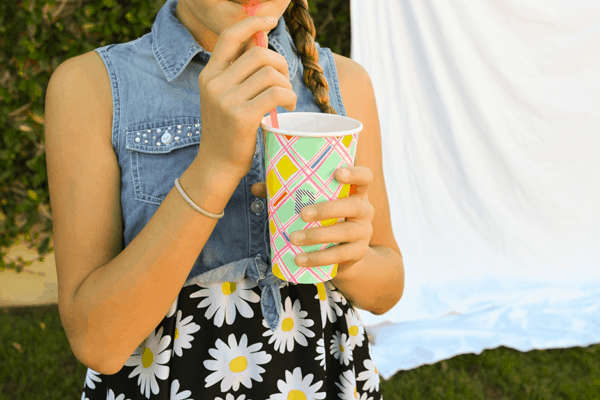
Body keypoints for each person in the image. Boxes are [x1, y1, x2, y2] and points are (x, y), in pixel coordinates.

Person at [44, 0, 404, 398]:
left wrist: (348, 257)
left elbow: (387, 288)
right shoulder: (92, 87)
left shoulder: (346, 83)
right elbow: (97, 344)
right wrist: (216, 165)